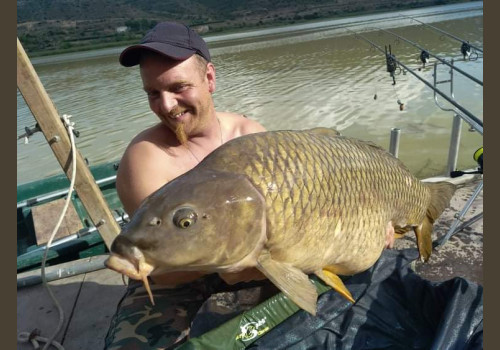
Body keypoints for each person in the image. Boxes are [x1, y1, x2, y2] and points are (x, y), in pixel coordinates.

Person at [105, 22, 272, 349]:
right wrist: (232, 260)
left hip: (256, 261)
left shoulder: (249, 135)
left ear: (209, 78)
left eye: (178, 87)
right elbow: (162, 268)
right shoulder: (146, 157)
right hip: (176, 283)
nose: (166, 106)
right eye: (153, 93)